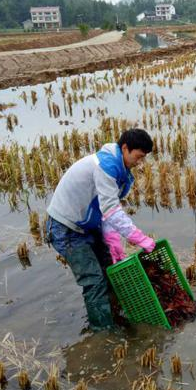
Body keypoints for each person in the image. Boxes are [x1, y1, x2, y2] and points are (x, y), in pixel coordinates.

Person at [46, 128, 155, 332]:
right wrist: (137, 237)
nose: (140, 162)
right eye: (138, 157)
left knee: (109, 269)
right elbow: (111, 210)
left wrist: (113, 240)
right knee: (94, 281)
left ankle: (115, 312)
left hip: (87, 224)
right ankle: (102, 332)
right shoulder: (105, 166)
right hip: (66, 228)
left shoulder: (121, 172)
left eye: (143, 158)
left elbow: (104, 212)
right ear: (125, 148)